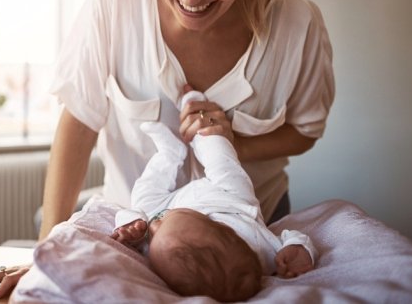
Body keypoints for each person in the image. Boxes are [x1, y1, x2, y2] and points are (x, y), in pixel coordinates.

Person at [0, 0, 334, 300]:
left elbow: (304, 131)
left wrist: (235, 141)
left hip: (247, 237)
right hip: (132, 227)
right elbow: (80, 121)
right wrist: (47, 255)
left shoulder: (298, 25)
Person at [110, 89, 316, 302]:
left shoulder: (162, 249)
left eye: (153, 238)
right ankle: (198, 114)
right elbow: (291, 238)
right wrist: (298, 250)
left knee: (141, 199)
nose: (155, 225)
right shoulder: (261, 250)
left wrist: (129, 226)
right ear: (219, 227)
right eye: (161, 226)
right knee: (220, 158)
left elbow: (133, 220)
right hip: (229, 199)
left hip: (173, 205)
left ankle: (169, 154)